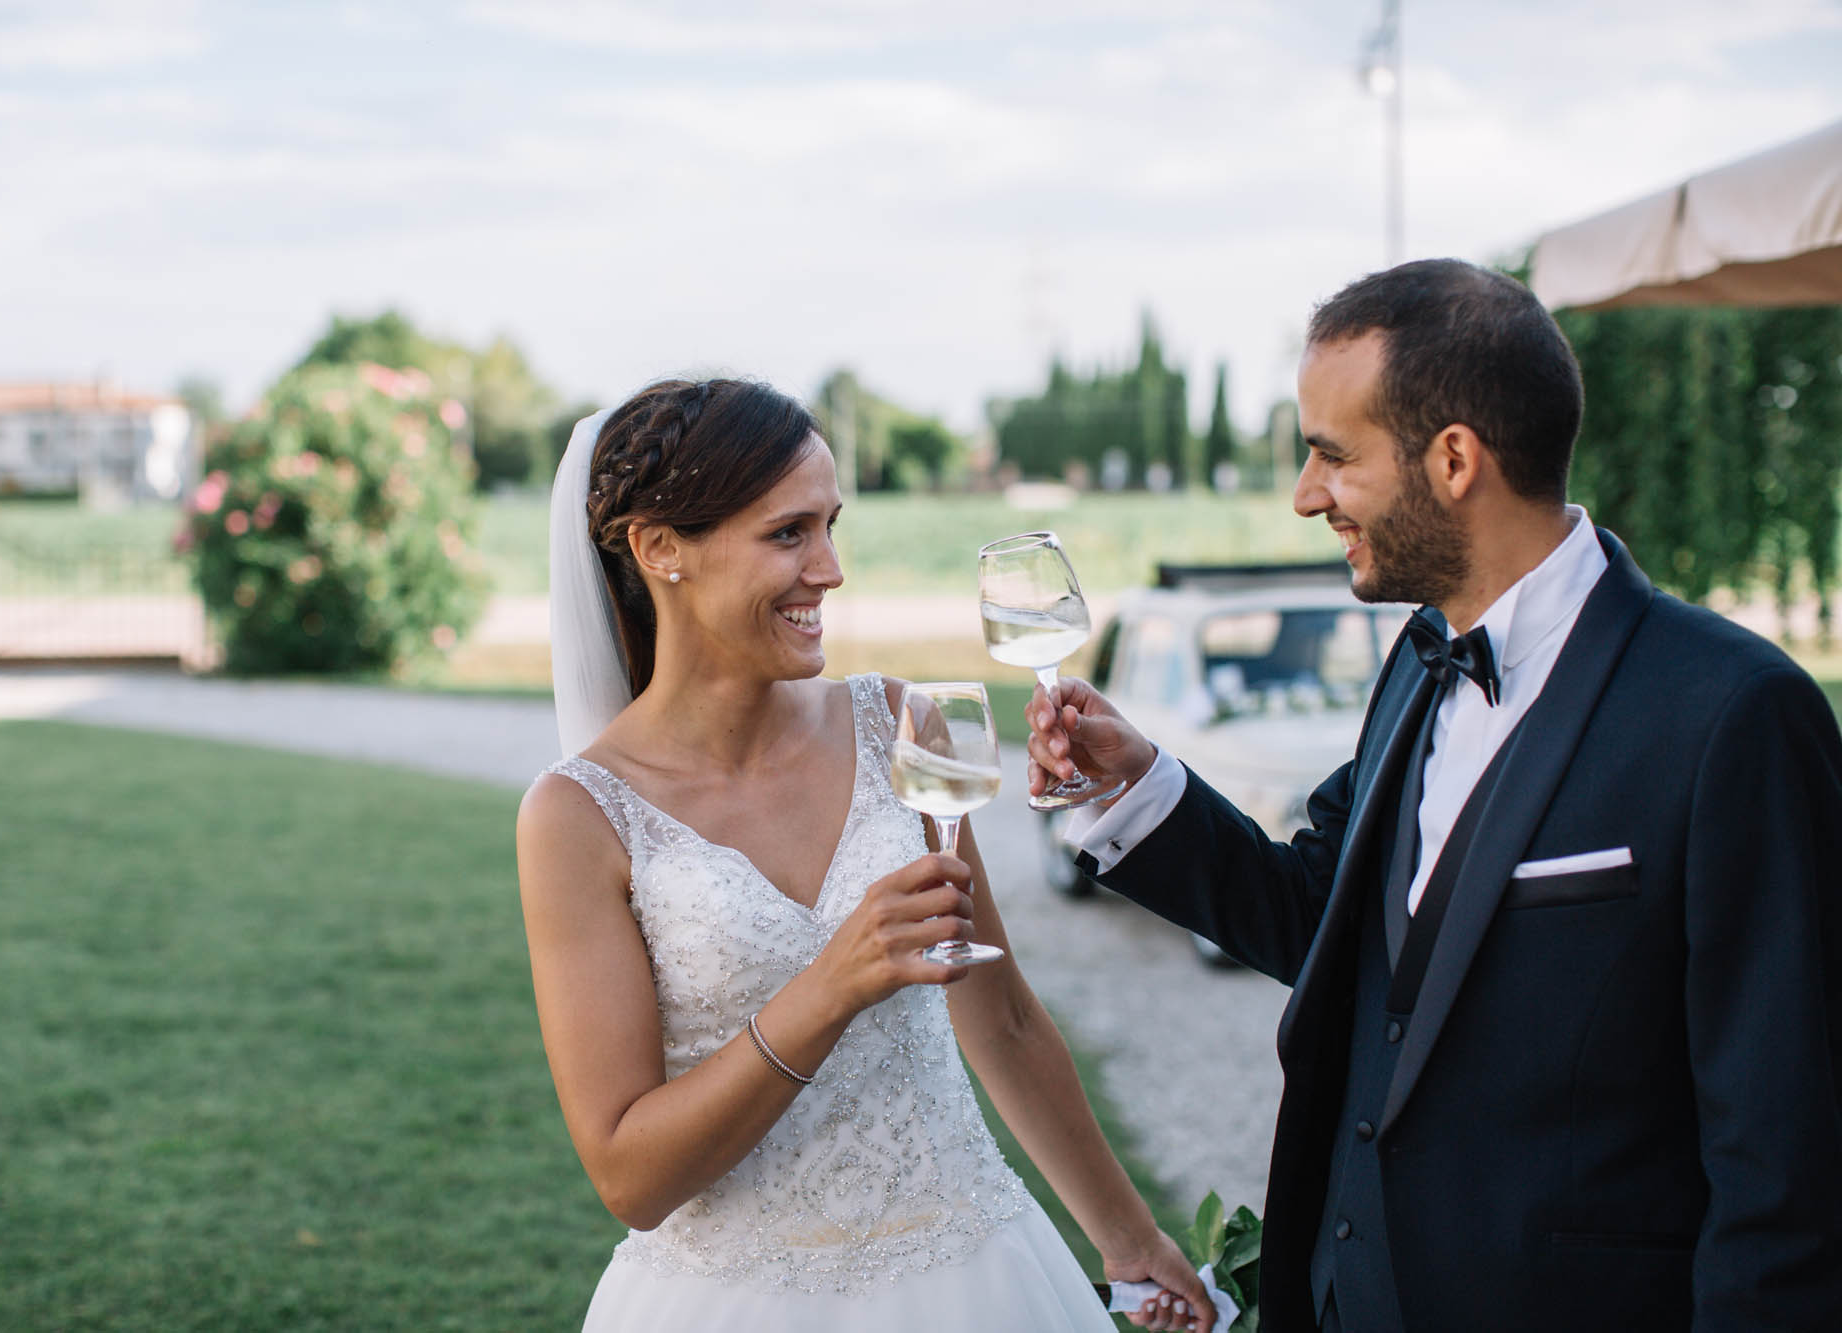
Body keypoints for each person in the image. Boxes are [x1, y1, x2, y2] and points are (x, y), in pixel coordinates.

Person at [1027, 259, 1842, 1332]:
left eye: (1332, 454)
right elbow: (1326, 918)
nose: (1304, 494)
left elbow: (1785, 1153)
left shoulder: (1733, 714)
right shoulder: (1419, 661)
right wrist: (1138, 783)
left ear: (1453, 459)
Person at [517, 377, 1215, 1332]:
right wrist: (830, 987)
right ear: (660, 548)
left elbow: (1004, 1020)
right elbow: (630, 1178)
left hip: (975, 1278)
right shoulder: (578, 815)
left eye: (831, 527)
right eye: (788, 534)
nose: (831, 570)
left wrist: (1132, 1241)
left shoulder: (901, 722)